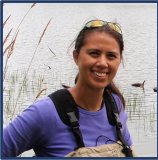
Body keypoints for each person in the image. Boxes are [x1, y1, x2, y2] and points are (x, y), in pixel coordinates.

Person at [3, 19, 134, 157]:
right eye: (94, 53)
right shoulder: (45, 112)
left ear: (119, 60)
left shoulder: (115, 106)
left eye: (111, 56)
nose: (102, 63)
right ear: (76, 57)